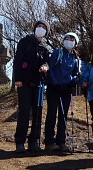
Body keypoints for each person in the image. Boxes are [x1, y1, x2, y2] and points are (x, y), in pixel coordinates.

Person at [13, 20, 51, 153]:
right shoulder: (24, 42)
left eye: (44, 28)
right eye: (39, 27)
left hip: (39, 84)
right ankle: (20, 142)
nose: (41, 29)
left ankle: (34, 141)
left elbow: (47, 61)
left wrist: (45, 66)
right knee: (24, 112)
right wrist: (17, 79)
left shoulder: (45, 47)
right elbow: (17, 61)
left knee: (38, 113)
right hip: (24, 83)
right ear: (34, 28)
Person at [44, 33, 80, 152]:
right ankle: (49, 142)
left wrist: (73, 82)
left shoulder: (75, 57)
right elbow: (51, 68)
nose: (69, 41)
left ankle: (61, 141)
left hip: (66, 88)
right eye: (67, 39)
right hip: (54, 88)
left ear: (76, 42)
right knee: (52, 113)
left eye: (72, 39)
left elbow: (76, 73)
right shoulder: (57, 53)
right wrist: (55, 83)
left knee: (63, 115)